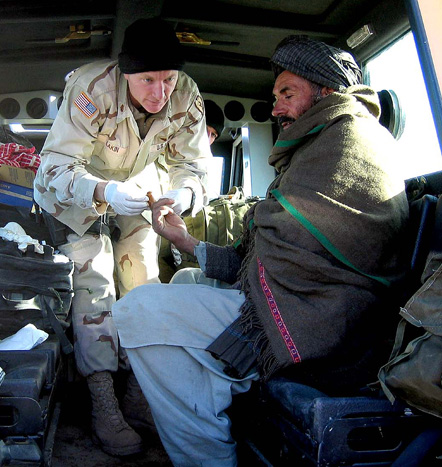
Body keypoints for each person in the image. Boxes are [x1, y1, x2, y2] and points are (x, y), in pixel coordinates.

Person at [112, 35, 410, 465]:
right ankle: (208, 407)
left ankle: (207, 454)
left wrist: (260, 218)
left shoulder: (353, 138)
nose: (277, 108)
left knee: (135, 310)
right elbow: (274, 242)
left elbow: (287, 237)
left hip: (326, 316)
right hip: (301, 294)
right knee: (186, 276)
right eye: (275, 97)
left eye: (288, 94)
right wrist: (186, 241)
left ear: (326, 91)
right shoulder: (321, 141)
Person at [33, 17, 212, 456]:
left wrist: (186, 193)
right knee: (95, 281)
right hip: (74, 195)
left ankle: (137, 390)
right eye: (148, 79)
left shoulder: (186, 94)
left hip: (136, 190)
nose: (160, 93)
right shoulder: (92, 89)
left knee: (144, 279)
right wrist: (103, 191)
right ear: (126, 72)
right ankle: (103, 399)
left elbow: (193, 165)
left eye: (168, 78)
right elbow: (54, 168)